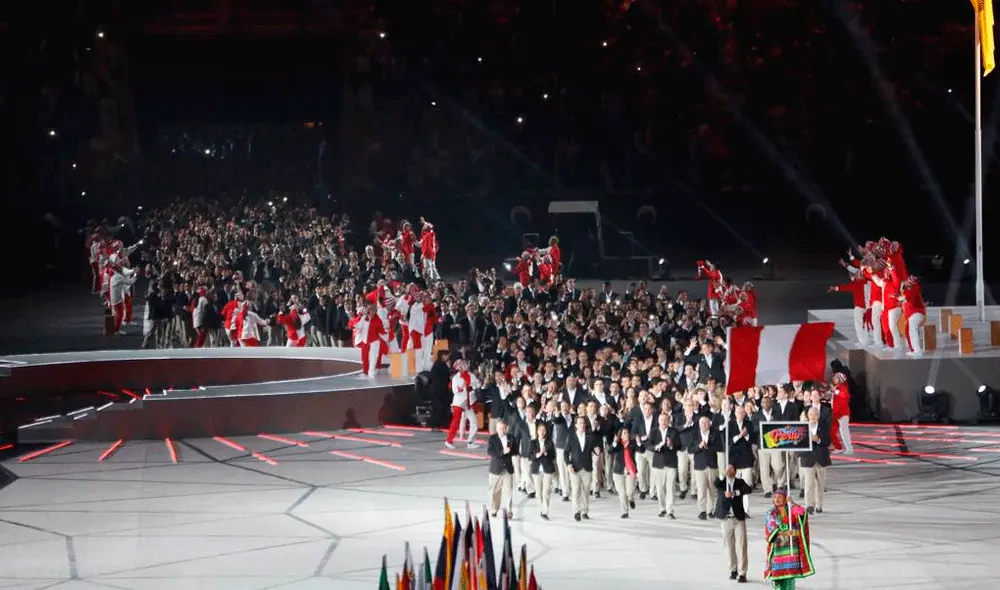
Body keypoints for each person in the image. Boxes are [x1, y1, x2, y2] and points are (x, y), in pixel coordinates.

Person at [763, 488, 815, 590]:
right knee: (778, 580)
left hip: (791, 551)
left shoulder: (791, 510)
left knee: (790, 580)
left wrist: (792, 503)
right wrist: (786, 532)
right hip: (778, 552)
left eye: (779, 497)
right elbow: (772, 529)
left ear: (785, 499)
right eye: (775, 497)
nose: (776, 499)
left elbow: (802, 513)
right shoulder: (771, 513)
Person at [715, 464, 752, 583]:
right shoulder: (722, 481)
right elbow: (716, 483)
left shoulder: (740, 482)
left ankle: (742, 572)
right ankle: (733, 569)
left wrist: (734, 493)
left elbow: (748, 489)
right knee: (729, 546)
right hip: (726, 518)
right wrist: (722, 474)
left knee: (741, 545)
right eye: (727, 468)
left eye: (731, 468)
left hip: (738, 518)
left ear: (735, 471)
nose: (728, 470)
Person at [565, 415, 601, 522]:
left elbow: (595, 450)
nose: (582, 425)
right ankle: (576, 511)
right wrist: (568, 464)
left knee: (586, 491)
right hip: (574, 468)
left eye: (583, 423)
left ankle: (585, 511)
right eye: (579, 423)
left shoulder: (590, 437)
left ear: (585, 425)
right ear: (576, 425)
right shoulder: (571, 436)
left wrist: (597, 451)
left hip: (587, 467)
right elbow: (566, 452)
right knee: (575, 490)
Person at [800, 407, 831, 514]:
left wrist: (818, 439)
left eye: (814, 414)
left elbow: (828, 441)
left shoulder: (824, 426)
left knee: (820, 484)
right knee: (808, 484)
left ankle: (819, 505)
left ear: (818, 416)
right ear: (807, 416)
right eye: (810, 414)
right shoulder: (802, 428)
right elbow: (799, 443)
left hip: (821, 458)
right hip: (808, 458)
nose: (812, 417)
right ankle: (809, 505)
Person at [445, 359, 480, 450]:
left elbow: (478, 384)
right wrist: (462, 388)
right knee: (456, 421)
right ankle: (449, 441)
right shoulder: (456, 377)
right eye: (464, 364)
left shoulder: (471, 375)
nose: (466, 365)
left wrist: (472, 387)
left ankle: (470, 441)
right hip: (459, 402)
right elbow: (454, 390)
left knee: (474, 422)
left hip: (468, 402)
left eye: (466, 364)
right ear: (459, 366)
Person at [608, 427, 639, 518]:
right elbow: (609, 451)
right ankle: (625, 511)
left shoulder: (633, 444)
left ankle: (631, 499)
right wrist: (614, 442)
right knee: (622, 493)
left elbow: (641, 450)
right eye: (624, 433)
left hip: (630, 471)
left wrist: (639, 443)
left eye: (627, 433)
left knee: (629, 492)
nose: (626, 434)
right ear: (620, 436)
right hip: (618, 471)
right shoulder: (617, 445)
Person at [487, 420, 515, 518]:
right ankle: (494, 509)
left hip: (508, 468)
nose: (502, 430)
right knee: (494, 490)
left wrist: (511, 451)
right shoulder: (492, 438)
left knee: (508, 491)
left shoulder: (511, 438)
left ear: (506, 428)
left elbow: (514, 451)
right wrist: (503, 452)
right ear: (496, 429)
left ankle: (509, 510)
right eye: (500, 428)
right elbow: (490, 452)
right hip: (496, 468)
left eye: (503, 428)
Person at [529, 421, 556, 520]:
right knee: (538, 493)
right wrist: (537, 455)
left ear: (546, 432)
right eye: (540, 430)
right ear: (537, 431)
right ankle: (541, 508)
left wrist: (546, 454)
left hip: (547, 469)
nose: (542, 432)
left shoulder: (550, 443)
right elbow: (529, 456)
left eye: (543, 430)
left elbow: (553, 456)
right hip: (536, 470)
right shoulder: (533, 443)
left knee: (546, 492)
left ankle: (545, 511)